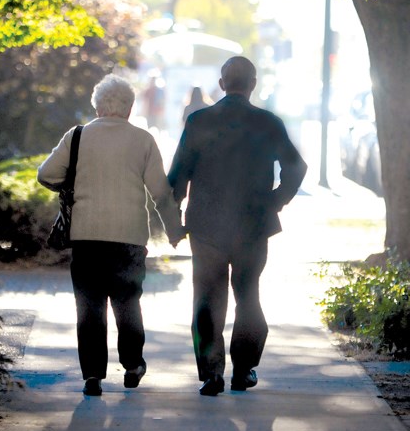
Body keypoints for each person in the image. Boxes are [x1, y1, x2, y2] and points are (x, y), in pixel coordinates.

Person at [37, 74, 185, 397]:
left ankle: (92, 376)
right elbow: (161, 192)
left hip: (86, 237)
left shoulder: (77, 137)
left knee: (88, 307)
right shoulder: (143, 140)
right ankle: (132, 365)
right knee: (128, 303)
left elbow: (46, 174)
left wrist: (71, 185)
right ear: (130, 108)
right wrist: (175, 230)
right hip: (129, 239)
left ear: (97, 106)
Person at [168, 56, 307, 396]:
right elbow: (296, 167)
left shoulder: (199, 120)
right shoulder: (268, 122)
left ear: (222, 83)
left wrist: (174, 219)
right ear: (253, 84)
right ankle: (243, 369)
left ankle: (211, 372)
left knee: (206, 299)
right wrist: (275, 201)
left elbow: (177, 176)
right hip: (252, 225)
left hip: (205, 227)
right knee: (248, 295)